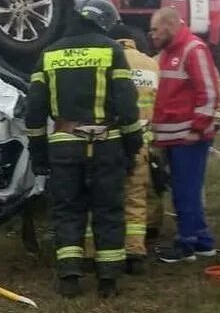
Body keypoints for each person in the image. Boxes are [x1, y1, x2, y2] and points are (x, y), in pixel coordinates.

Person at [26, 0, 142, 298]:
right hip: (107, 145)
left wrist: (39, 155)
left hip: (64, 145)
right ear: (104, 22)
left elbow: (35, 112)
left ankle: (69, 276)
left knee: (67, 210)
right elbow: (128, 107)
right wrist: (132, 146)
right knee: (109, 210)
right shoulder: (112, 50)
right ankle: (108, 280)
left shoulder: (48, 54)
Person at [83, 23, 160, 274]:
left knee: (99, 198)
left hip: (108, 141)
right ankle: (134, 253)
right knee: (135, 198)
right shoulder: (151, 64)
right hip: (141, 142)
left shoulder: (103, 60)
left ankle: (92, 252)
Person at [149, 7, 220, 263]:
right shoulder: (166, 53)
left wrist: (197, 128)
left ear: (170, 25)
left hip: (188, 136)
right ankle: (203, 241)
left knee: (185, 191)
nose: (152, 35)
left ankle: (186, 245)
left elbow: (210, 92)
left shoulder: (194, 49)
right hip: (173, 136)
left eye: (155, 29)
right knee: (184, 189)